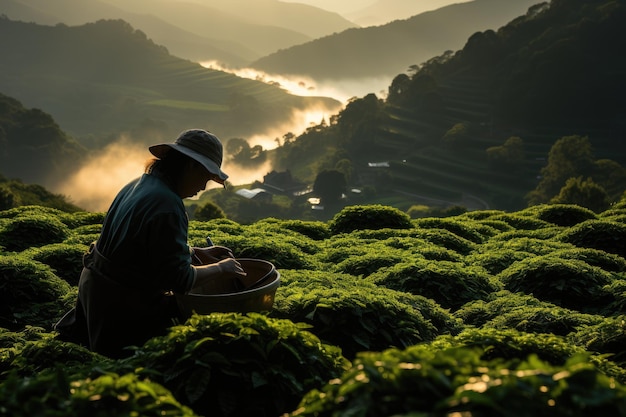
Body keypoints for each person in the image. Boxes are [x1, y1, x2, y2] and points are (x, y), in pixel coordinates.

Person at [55, 129, 246, 358]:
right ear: (191, 166)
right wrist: (221, 268)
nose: (203, 189)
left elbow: (142, 246)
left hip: (95, 289)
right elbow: (179, 280)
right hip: (120, 303)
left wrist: (196, 252)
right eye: (205, 178)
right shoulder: (168, 205)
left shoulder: (140, 183)